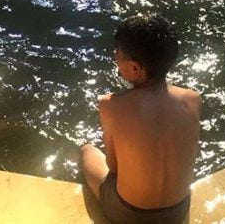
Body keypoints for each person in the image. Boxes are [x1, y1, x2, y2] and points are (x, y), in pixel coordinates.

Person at [81, 15, 201, 224]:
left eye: (118, 53)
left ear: (135, 68)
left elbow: (113, 168)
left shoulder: (110, 104)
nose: (115, 57)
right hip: (177, 212)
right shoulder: (193, 99)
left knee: (87, 150)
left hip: (129, 215)